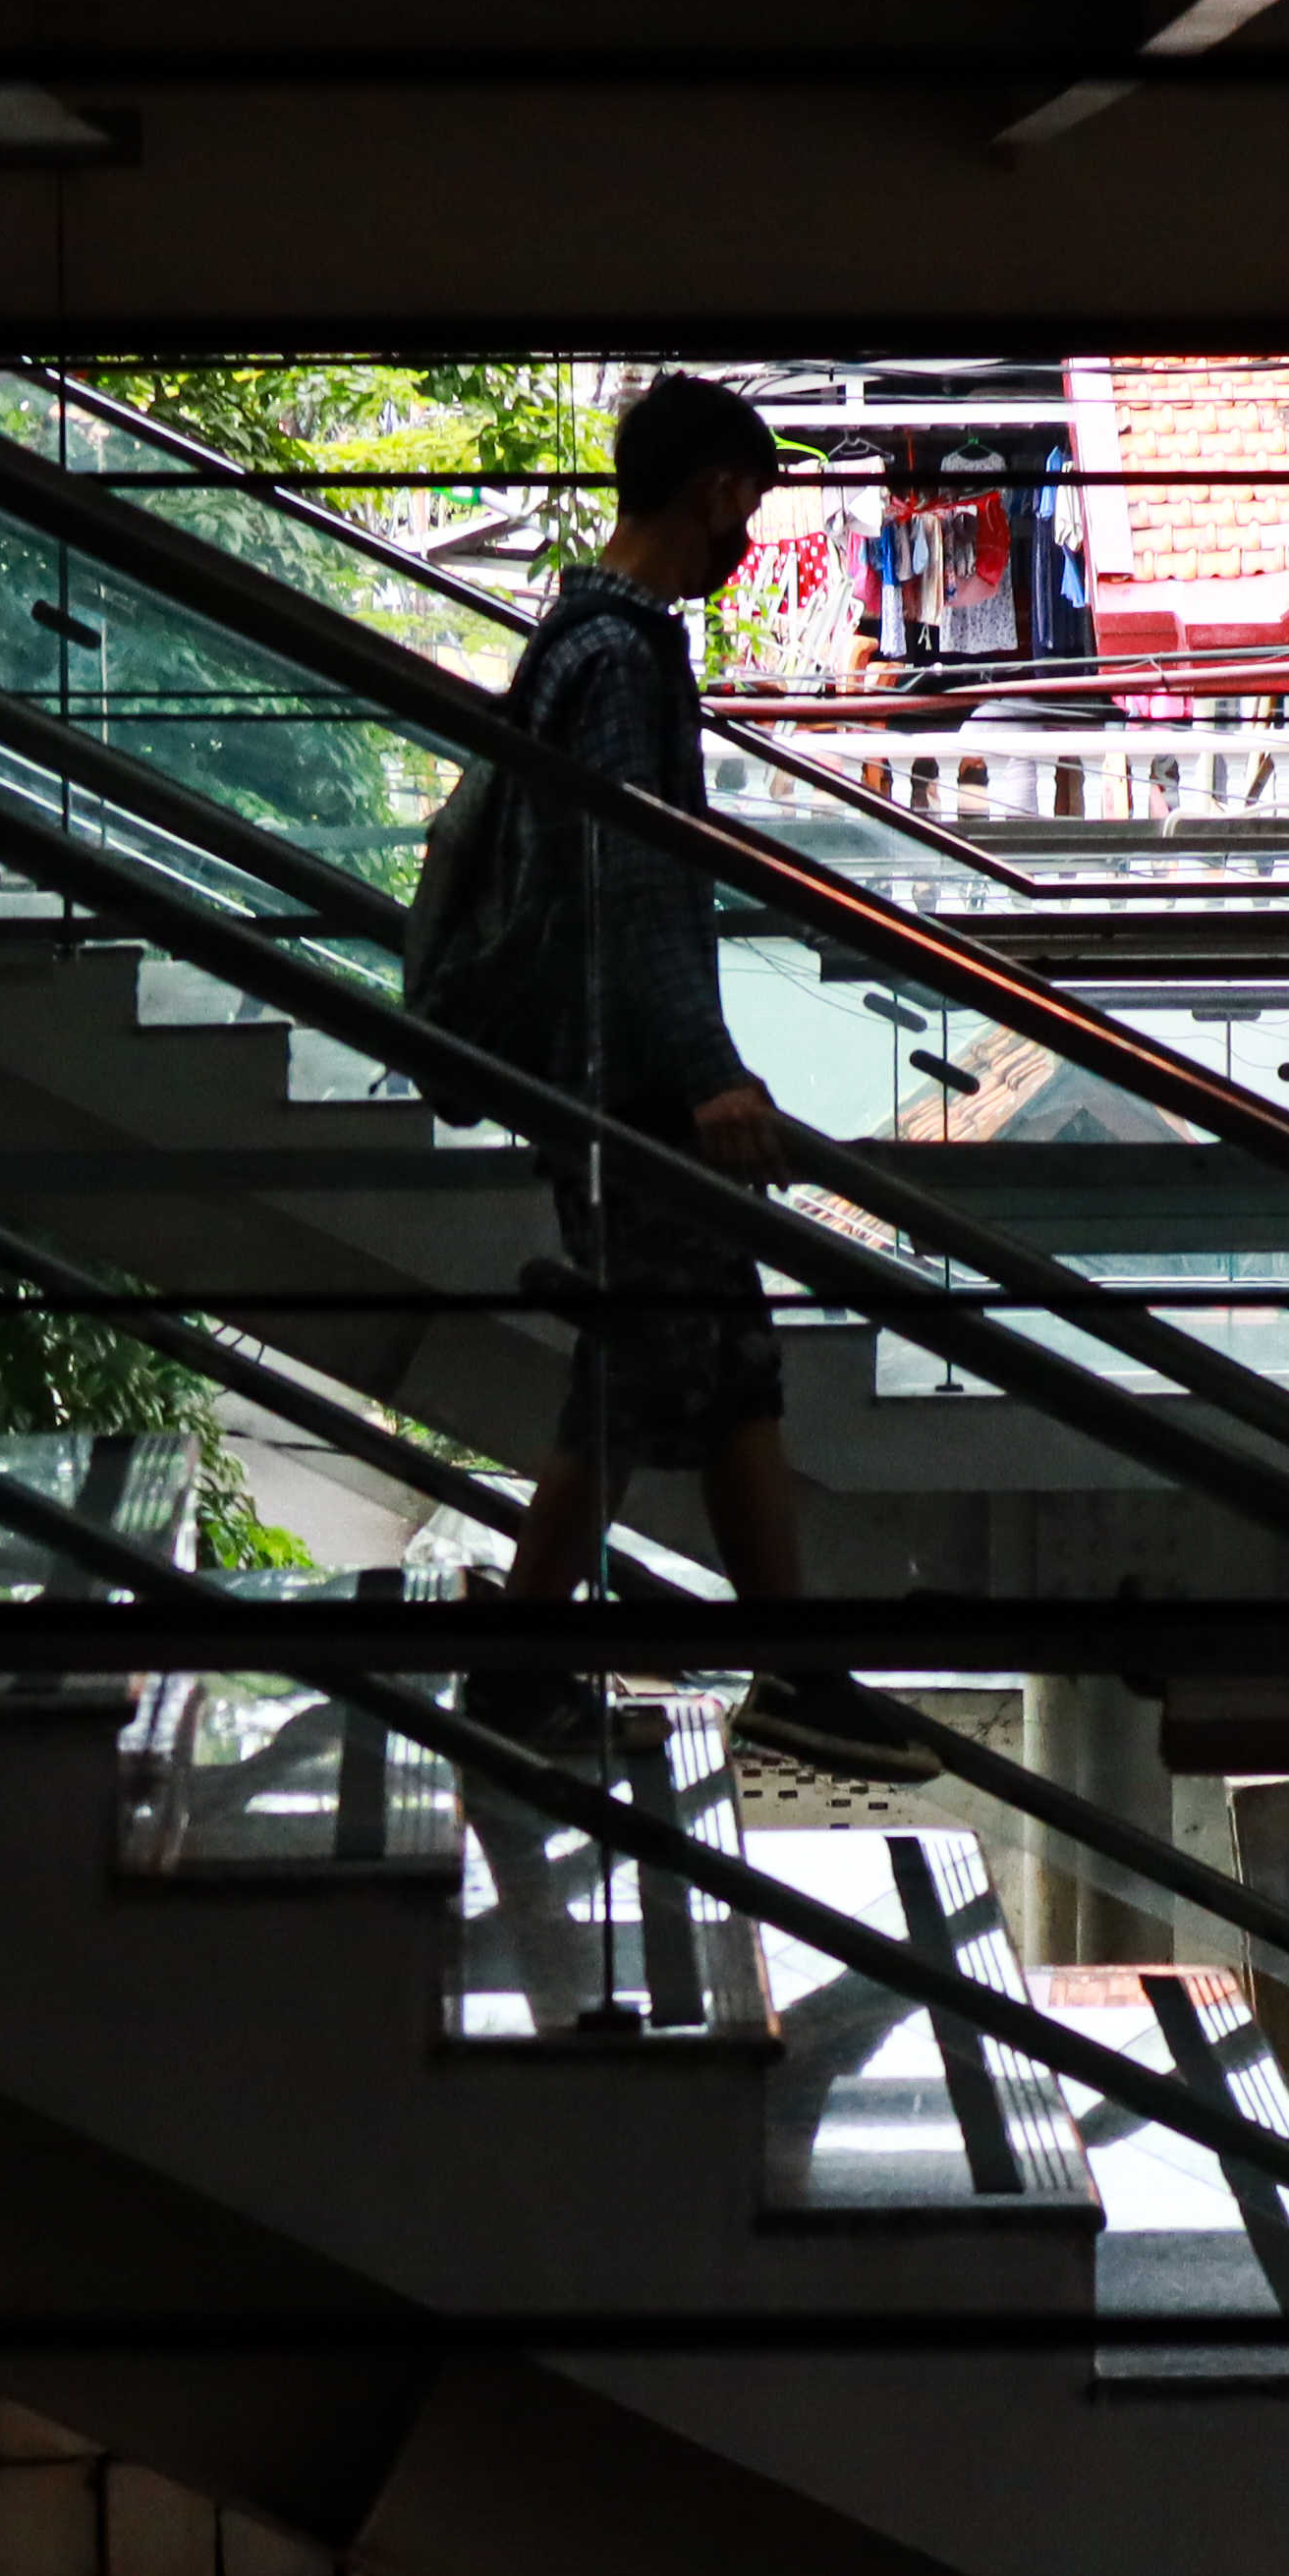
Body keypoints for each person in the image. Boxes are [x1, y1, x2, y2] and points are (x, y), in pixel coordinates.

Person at [469, 373, 936, 1786]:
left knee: (717, 1357)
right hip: (630, 1088)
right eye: (750, 492)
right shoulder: (619, 658)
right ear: (710, 487)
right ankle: (544, 1674)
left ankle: (782, 1668)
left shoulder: (590, 640)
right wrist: (706, 1074)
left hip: (613, 1077)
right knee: (649, 1356)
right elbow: (631, 880)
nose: (752, 524)